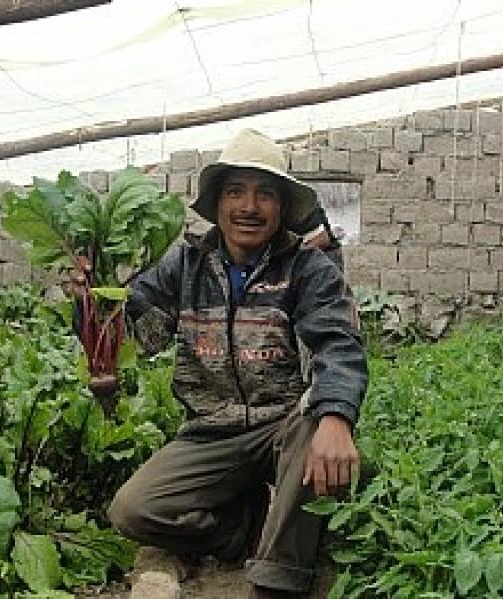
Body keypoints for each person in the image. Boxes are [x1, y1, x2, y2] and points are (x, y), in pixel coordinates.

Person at [74, 129, 368, 598]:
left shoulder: (308, 270)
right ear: (217, 202)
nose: (249, 206)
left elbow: (339, 344)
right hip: (210, 431)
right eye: (235, 191)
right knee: (132, 510)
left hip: (284, 428)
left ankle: (277, 581)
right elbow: (139, 335)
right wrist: (90, 303)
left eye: (264, 193)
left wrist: (336, 415)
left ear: (282, 206)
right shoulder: (185, 266)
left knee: (320, 431)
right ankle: (246, 528)